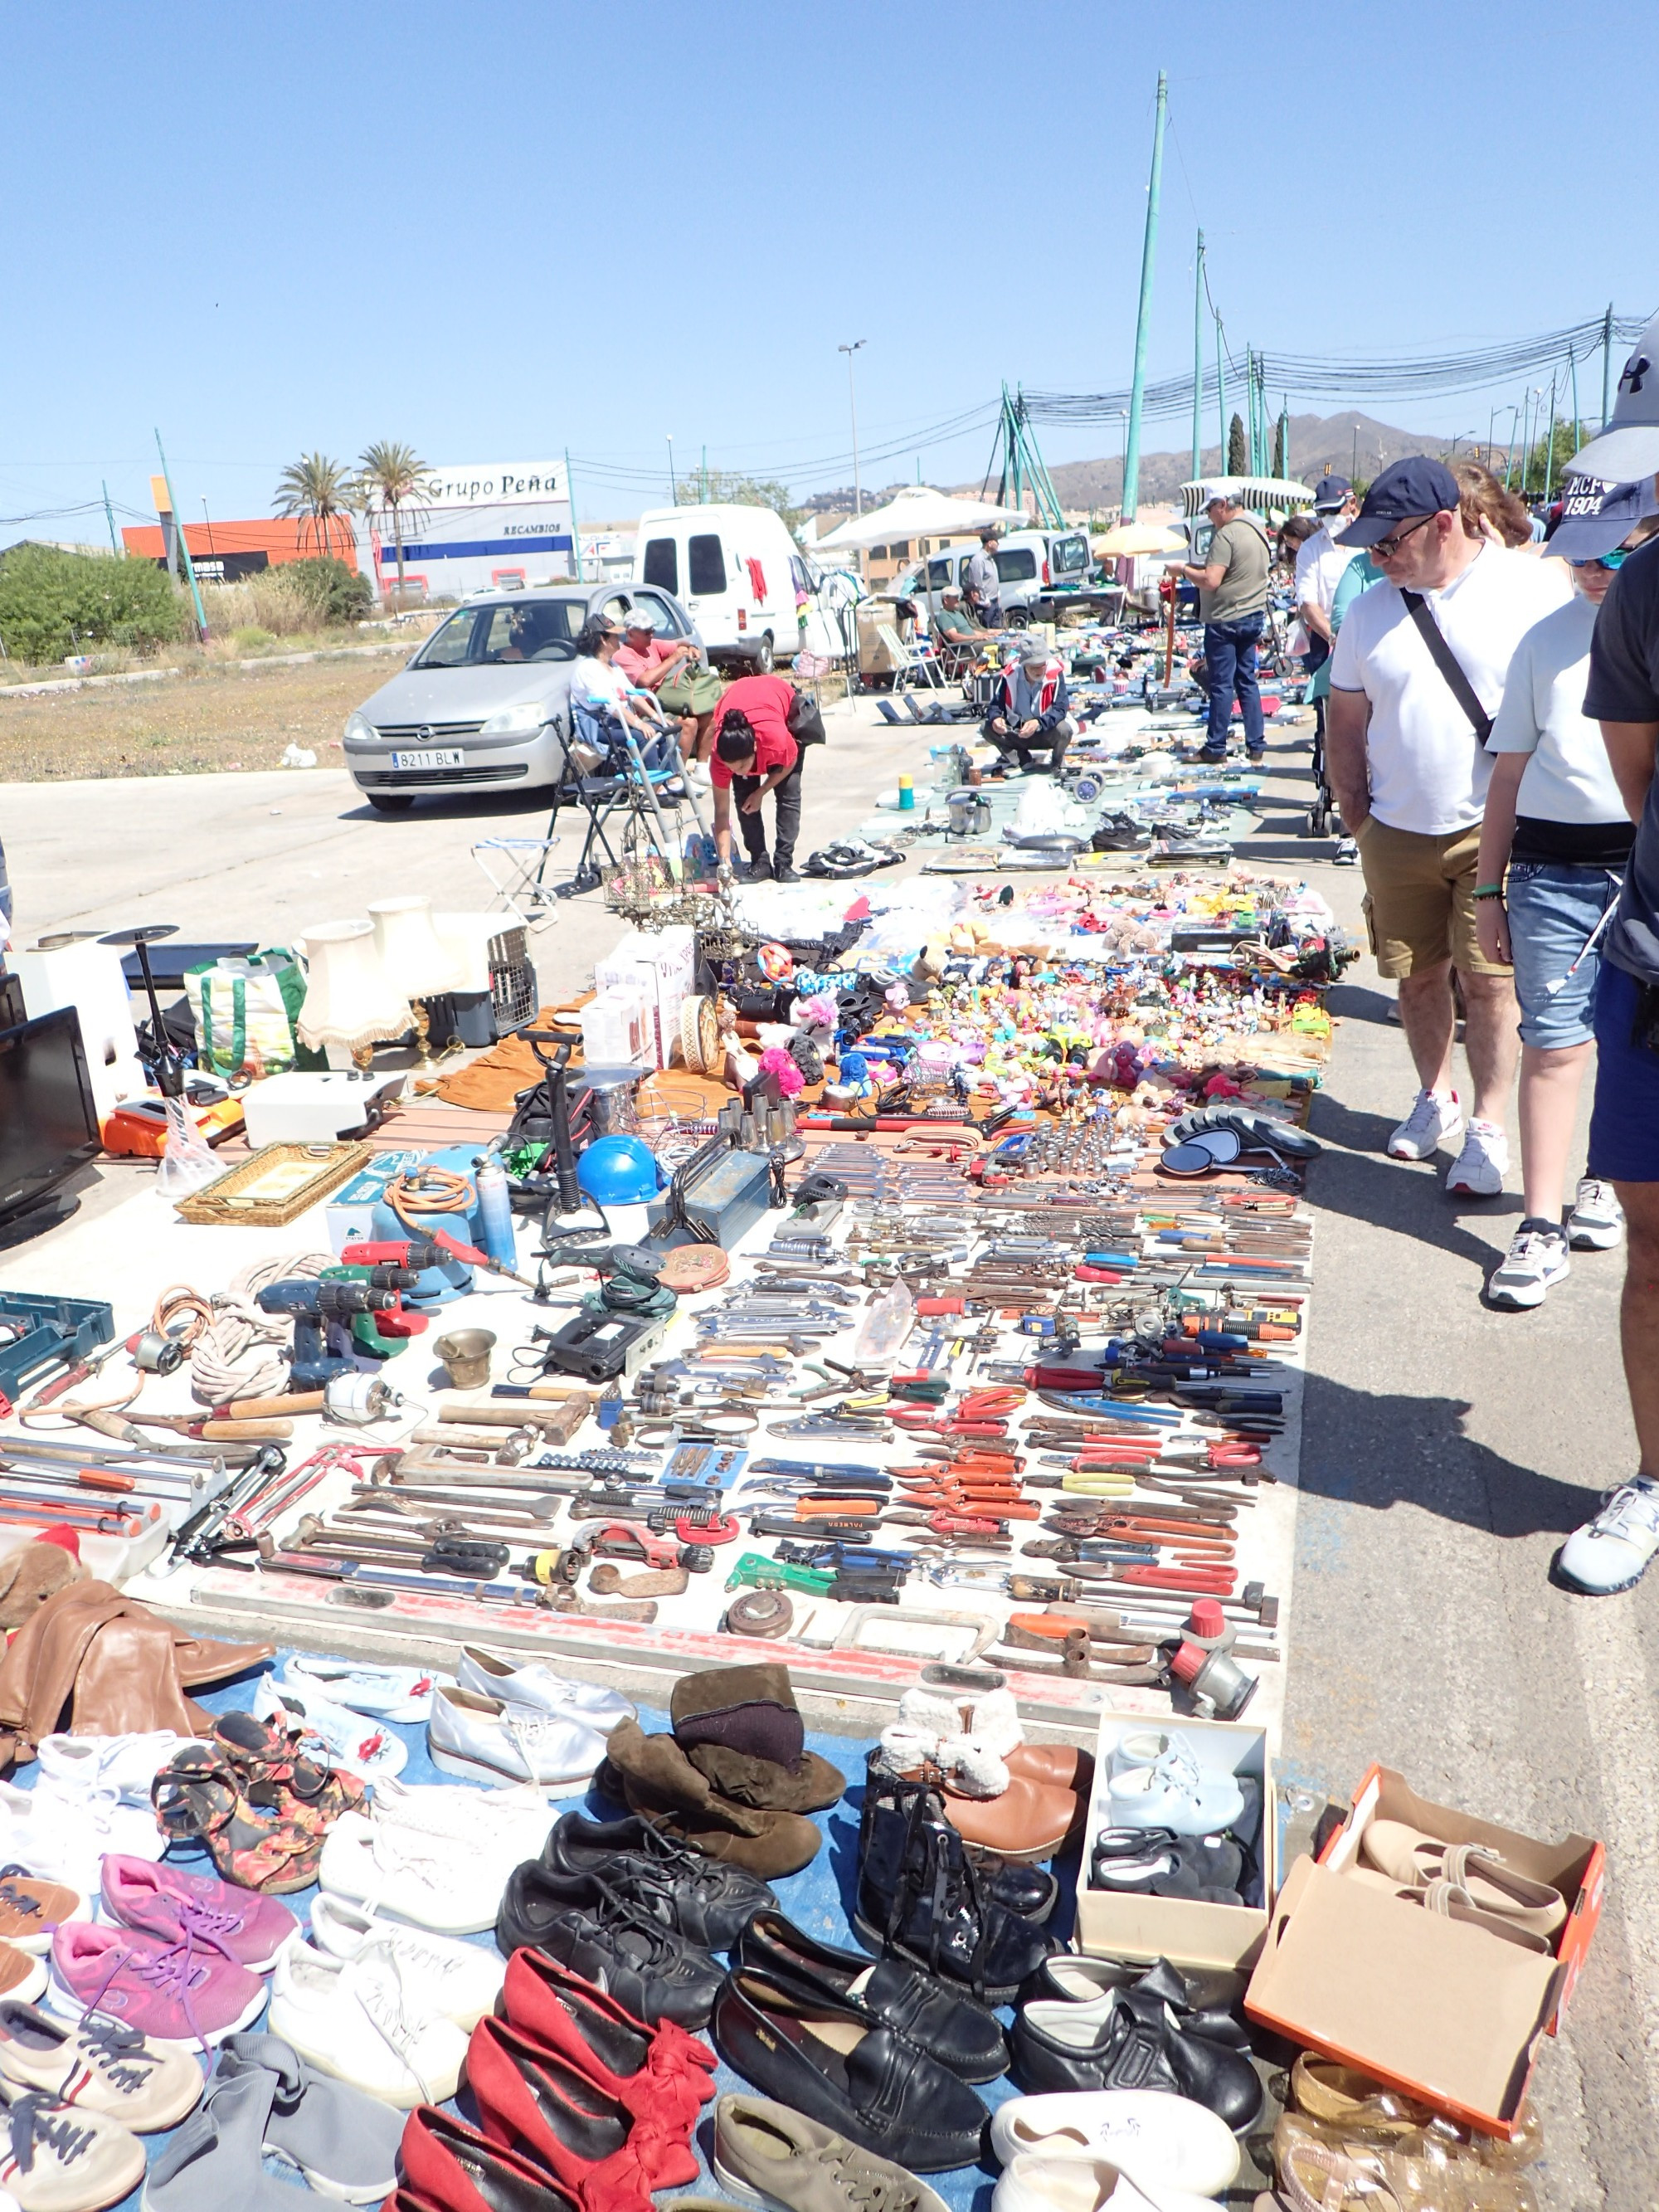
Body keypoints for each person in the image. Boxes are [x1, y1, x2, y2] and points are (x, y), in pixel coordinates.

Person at [1326, 456, 1571, 1196]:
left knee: (1491, 984)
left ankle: (1490, 1127)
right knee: (1417, 978)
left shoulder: (1528, 589)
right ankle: (1436, 1098)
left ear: (1442, 524)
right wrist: (1358, 816)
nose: (1378, 559)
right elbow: (1345, 717)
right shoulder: (1370, 609)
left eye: (1389, 544)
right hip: (1396, 831)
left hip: (1493, 828)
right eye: (1370, 548)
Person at [1474, 483, 1659, 1308]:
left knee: (1621, 1045)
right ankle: (1538, 1220)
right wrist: (1487, 888)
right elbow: (1505, 773)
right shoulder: (1541, 642)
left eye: (1614, 551)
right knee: (1551, 1041)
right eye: (1578, 553)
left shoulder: (1645, 620)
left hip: (1641, 872)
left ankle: (1600, 1177)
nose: (1592, 570)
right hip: (1548, 871)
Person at [1545, 305, 1659, 1591]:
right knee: (1651, 1238)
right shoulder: (1643, 591)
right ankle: (1654, 1474)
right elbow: (1643, 781)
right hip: (1656, 962)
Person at [1176, 488, 1271, 765]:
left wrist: (1183, 570)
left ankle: (1215, 747)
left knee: (1221, 685)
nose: (1209, 515)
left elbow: (1211, 580)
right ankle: (1256, 744)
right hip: (1253, 615)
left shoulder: (1226, 535)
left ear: (1223, 505)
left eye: (1210, 509)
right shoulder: (1258, 529)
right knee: (1247, 681)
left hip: (1226, 620)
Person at [708, 672, 803, 883]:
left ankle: (784, 863)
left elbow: (790, 763)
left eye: (743, 765)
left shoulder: (775, 738)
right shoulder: (719, 757)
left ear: (754, 747)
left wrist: (761, 791)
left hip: (779, 705)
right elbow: (722, 812)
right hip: (740, 698)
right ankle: (759, 862)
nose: (740, 772)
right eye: (734, 769)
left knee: (789, 794)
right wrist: (724, 863)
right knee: (744, 800)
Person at [614, 608, 720, 772]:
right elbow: (644, 680)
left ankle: (701, 767)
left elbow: (682, 642)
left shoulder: (653, 645)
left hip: (664, 703)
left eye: (652, 629)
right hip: (645, 710)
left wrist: (692, 647)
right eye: (646, 631)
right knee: (688, 723)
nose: (651, 634)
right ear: (631, 633)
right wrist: (674, 658)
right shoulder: (623, 655)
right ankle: (676, 774)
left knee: (708, 715)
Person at [571, 616, 674, 767]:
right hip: (599, 726)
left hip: (617, 722)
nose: (619, 639)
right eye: (614, 636)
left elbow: (632, 694)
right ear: (603, 640)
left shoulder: (613, 665)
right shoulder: (588, 668)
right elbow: (611, 706)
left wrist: (656, 717)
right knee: (642, 736)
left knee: (664, 729)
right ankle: (652, 785)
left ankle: (672, 778)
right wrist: (639, 723)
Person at [982, 639, 1073, 773]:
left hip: (1046, 731)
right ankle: (1018, 759)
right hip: (1018, 732)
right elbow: (995, 705)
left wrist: (1038, 722)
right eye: (1034, 667)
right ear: (1024, 665)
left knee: (1064, 730)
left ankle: (1056, 763)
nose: (1039, 670)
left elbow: (1060, 709)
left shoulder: (1055, 673)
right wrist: (996, 718)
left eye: (1042, 665)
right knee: (986, 727)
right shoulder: (1010, 675)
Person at [964, 531, 1004, 629]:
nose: (998, 544)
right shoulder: (978, 560)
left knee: (997, 631)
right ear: (990, 543)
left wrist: (997, 593)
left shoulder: (990, 559)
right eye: (996, 541)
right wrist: (985, 601)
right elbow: (977, 583)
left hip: (994, 602)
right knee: (987, 631)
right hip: (985, 605)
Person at [931, 587, 995, 645]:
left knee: (998, 639)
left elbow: (971, 631)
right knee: (995, 643)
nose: (958, 599)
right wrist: (977, 638)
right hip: (965, 647)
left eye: (957, 597)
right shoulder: (944, 616)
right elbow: (955, 638)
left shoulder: (957, 613)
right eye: (954, 597)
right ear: (946, 600)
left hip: (973, 643)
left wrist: (986, 634)